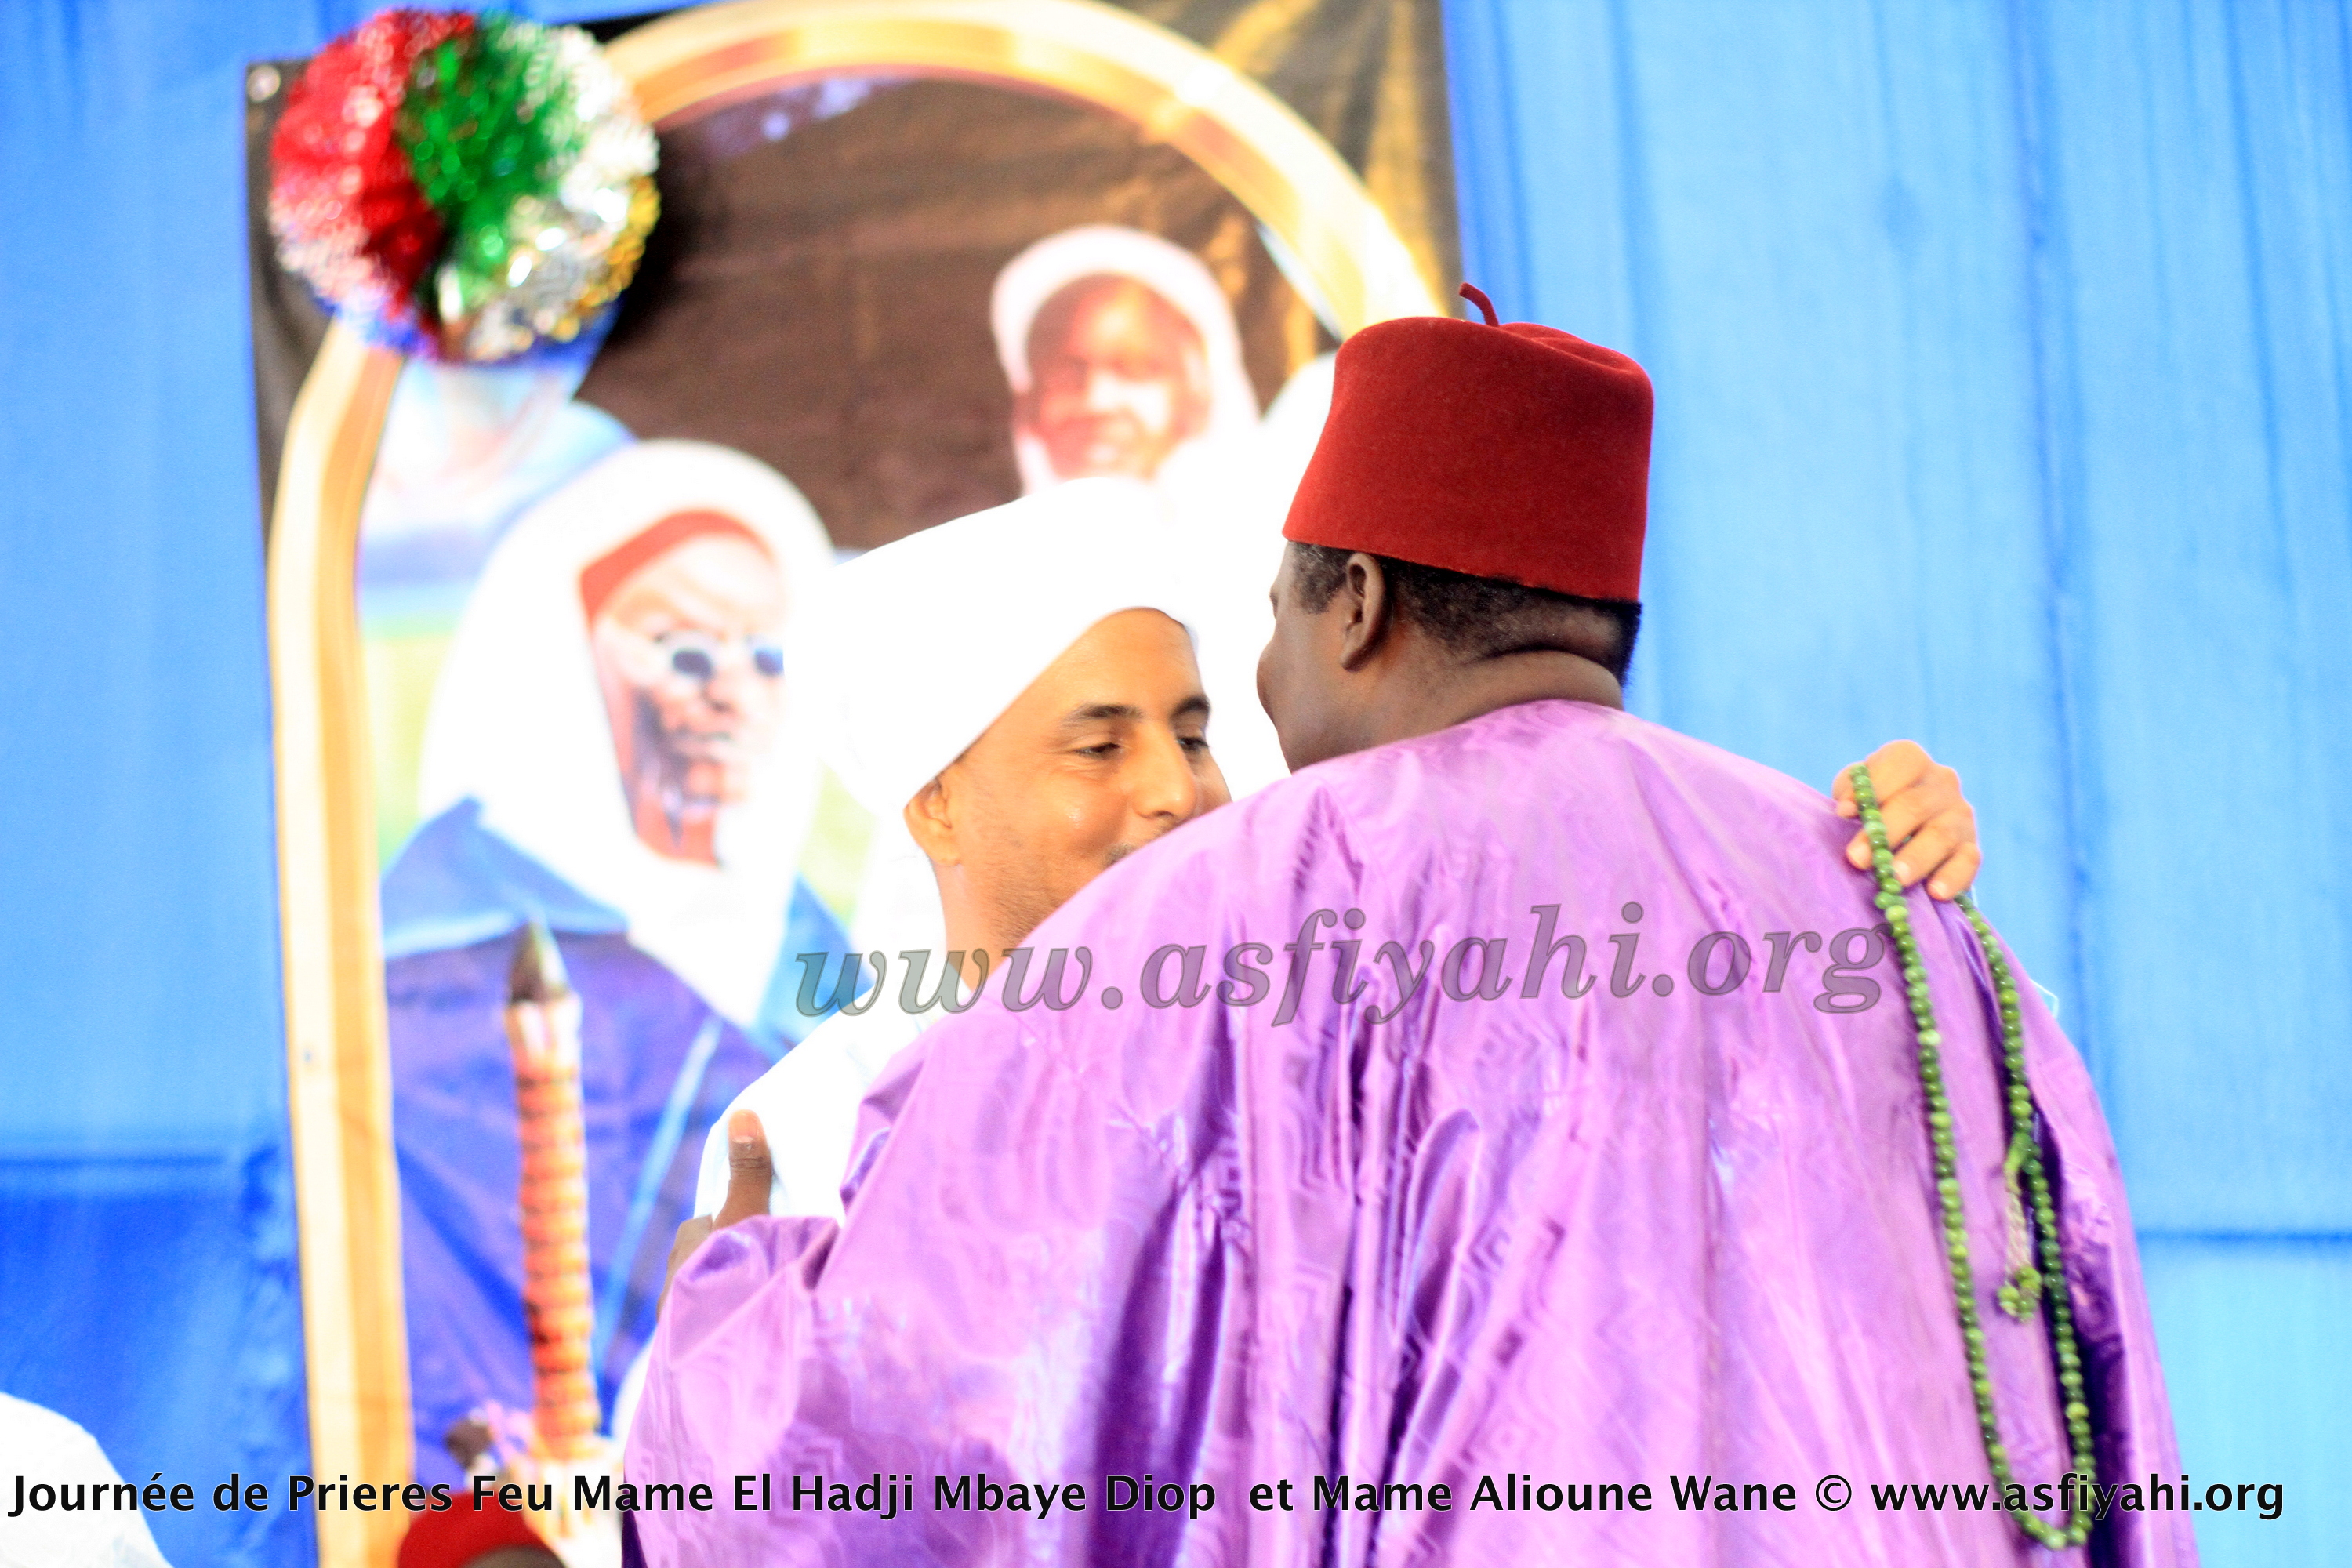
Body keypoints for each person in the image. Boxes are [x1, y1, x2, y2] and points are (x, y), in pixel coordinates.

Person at [630, 303, 2190, 1566]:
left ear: (1358, 605)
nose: (1188, 770)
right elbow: (2077, 1364)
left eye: (1252, 646)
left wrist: (726, 1347)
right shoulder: (1891, 903)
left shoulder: (1209, 932)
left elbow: (892, 1438)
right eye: (1102, 742)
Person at [380, 439, 851, 1486]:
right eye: (680, 646)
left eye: (767, 654)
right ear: (556, 656)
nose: (733, 692)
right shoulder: (437, 950)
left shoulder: (816, 960)